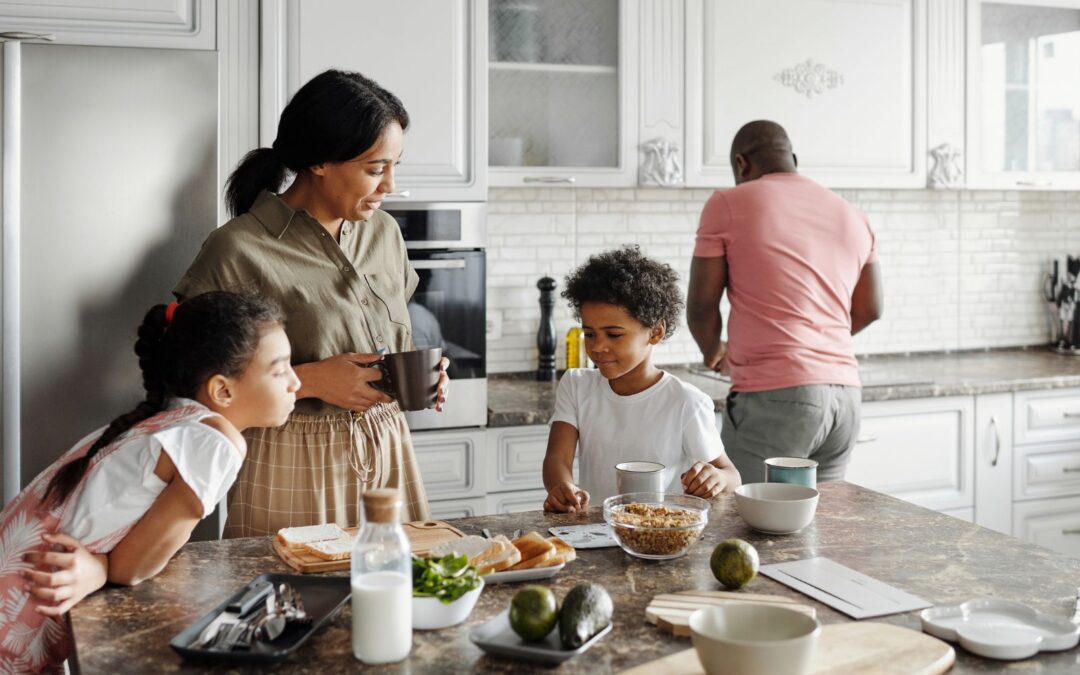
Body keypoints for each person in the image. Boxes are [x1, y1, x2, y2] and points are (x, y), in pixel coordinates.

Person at [174, 69, 447, 536]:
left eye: (394, 166)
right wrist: (310, 381)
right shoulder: (238, 248)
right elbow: (193, 384)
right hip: (288, 456)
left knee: (396, 578)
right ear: (319, 161)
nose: (389, 185)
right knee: (289, 582)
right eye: (375, 169)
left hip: (388, 446)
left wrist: (423, 374)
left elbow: (387, 334)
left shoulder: (384, 234)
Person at [0, 292, 299, 673]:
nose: (296, 382)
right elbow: (132, 568)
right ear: (222, 390)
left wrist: (101, 565)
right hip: (18, 615)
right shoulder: (216, 442)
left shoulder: (169, 419)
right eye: (280, 370)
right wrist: (102, 567)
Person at [687, 120, 883, 484]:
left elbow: (701, 306)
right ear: (792, 158)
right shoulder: (853, 214)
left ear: (741, 164)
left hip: (776, 396)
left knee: (744, 511)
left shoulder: (728, 203)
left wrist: (713, 351)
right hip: (845, 399)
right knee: (822, 514)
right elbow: (871, 309)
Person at [542, 246, 741, 512]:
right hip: (596, 528)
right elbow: (557, 458)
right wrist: (562, 487)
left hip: (661, 530)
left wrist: (717, 478)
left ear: (655, 332)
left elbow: (731, 475)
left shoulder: (686, 401)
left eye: (614, 335)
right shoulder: (576, 385)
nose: (598, 346)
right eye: (589, 334)